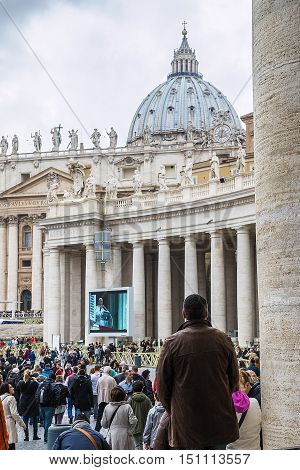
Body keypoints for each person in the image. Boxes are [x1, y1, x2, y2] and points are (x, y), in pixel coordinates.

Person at [156, 294, 239, 450]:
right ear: (206, 313)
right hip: (220, 422)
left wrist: (177, 411)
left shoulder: (171, 343)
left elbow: (162, 389)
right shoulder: (224, 339)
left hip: (187, 425)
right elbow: (234, 381)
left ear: (183, 314)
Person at [0, 382, 26, 449]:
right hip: (9, 423)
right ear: (6, 389)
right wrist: (22, 423)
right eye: (11, 387)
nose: (13, 388)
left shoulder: (0, 397)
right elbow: (14, 413)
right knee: (11, 444)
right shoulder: (11, 398)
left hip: (2, 424)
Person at [128, 381, 152, 449]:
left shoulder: (130, 399)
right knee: (140, 443)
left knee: (137, 444)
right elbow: (151, 412)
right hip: (144, 425)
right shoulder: (147, 399)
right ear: (142, 388)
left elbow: (127, 413)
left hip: (133, 426)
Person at [36, 374, 60, 443]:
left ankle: (46, 435)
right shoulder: (55, 385)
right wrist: (55, 405)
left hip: (42, 405)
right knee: (48, 421)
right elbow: (58, 395)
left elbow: (37, 393)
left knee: (44, 421)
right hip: (50, 406)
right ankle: (46, 437)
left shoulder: (42, 384)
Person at [17, 369, 40, 441]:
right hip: (32, 402)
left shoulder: (20, 382)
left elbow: (18, 391)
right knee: (35, 420)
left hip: (23, 402)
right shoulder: (34, 382)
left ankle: (26, 437)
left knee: (25, 419)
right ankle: (35, 435)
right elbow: (38, 389)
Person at [95, 366, 116, 431]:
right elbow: (115, 389)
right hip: (109, 400)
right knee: (111, 416)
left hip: (101, 399)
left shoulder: (100, 379)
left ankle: (97, 430)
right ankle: (110, 431)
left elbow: (97, 389)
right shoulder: (112, 379)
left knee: (100, 416)